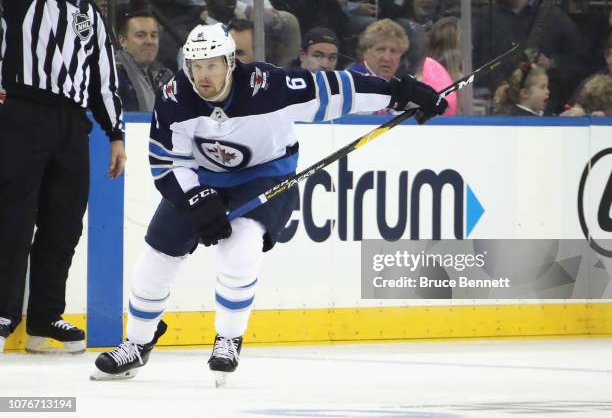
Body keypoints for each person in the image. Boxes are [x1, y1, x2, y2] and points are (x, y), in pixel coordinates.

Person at [90, 22, 447, 382]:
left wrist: (399, 92)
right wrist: (198, 199)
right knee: (156, 256)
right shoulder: (174, 96)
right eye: (196, 66)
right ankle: (137, 343)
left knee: (242, 245)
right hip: (202, 178)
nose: (203, 76)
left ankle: (228, 338)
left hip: (264, 173)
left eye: (212, 65)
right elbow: (167, 163)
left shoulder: (269, 86)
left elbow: (335, 89)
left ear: (230, 62)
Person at [0, 0, 126, 354]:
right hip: (21, 115)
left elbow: (103, 78)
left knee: (64, 222)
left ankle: (45, 317)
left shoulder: (88, 12)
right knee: (13, 220)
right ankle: (4, 313)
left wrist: (116, 133)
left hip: (72, 123)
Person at [473, 0, 582, 114]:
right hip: (497, 113)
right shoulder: (485, 18)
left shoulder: (554, 17)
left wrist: (552, 63)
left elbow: (579, 63)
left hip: (544, 117)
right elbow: (476, 64)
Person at [116, 11, 173, 112]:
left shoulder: (165, 76)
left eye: (154, 35)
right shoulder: (113, 74)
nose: (149, 41)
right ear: (123, 41)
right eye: (141, 35)